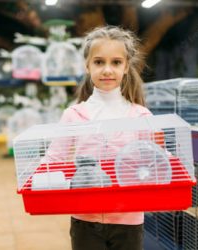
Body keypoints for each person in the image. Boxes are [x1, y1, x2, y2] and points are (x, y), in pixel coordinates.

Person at [58, 25, 152, 250]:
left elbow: (151, 164)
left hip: (129, 219)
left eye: (116, 62)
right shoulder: (73, 116)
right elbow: (55, 160)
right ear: (87, 66)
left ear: (127, 66)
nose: (107, 70)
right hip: (84, 219)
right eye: (99, 62)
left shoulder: (141, 116)